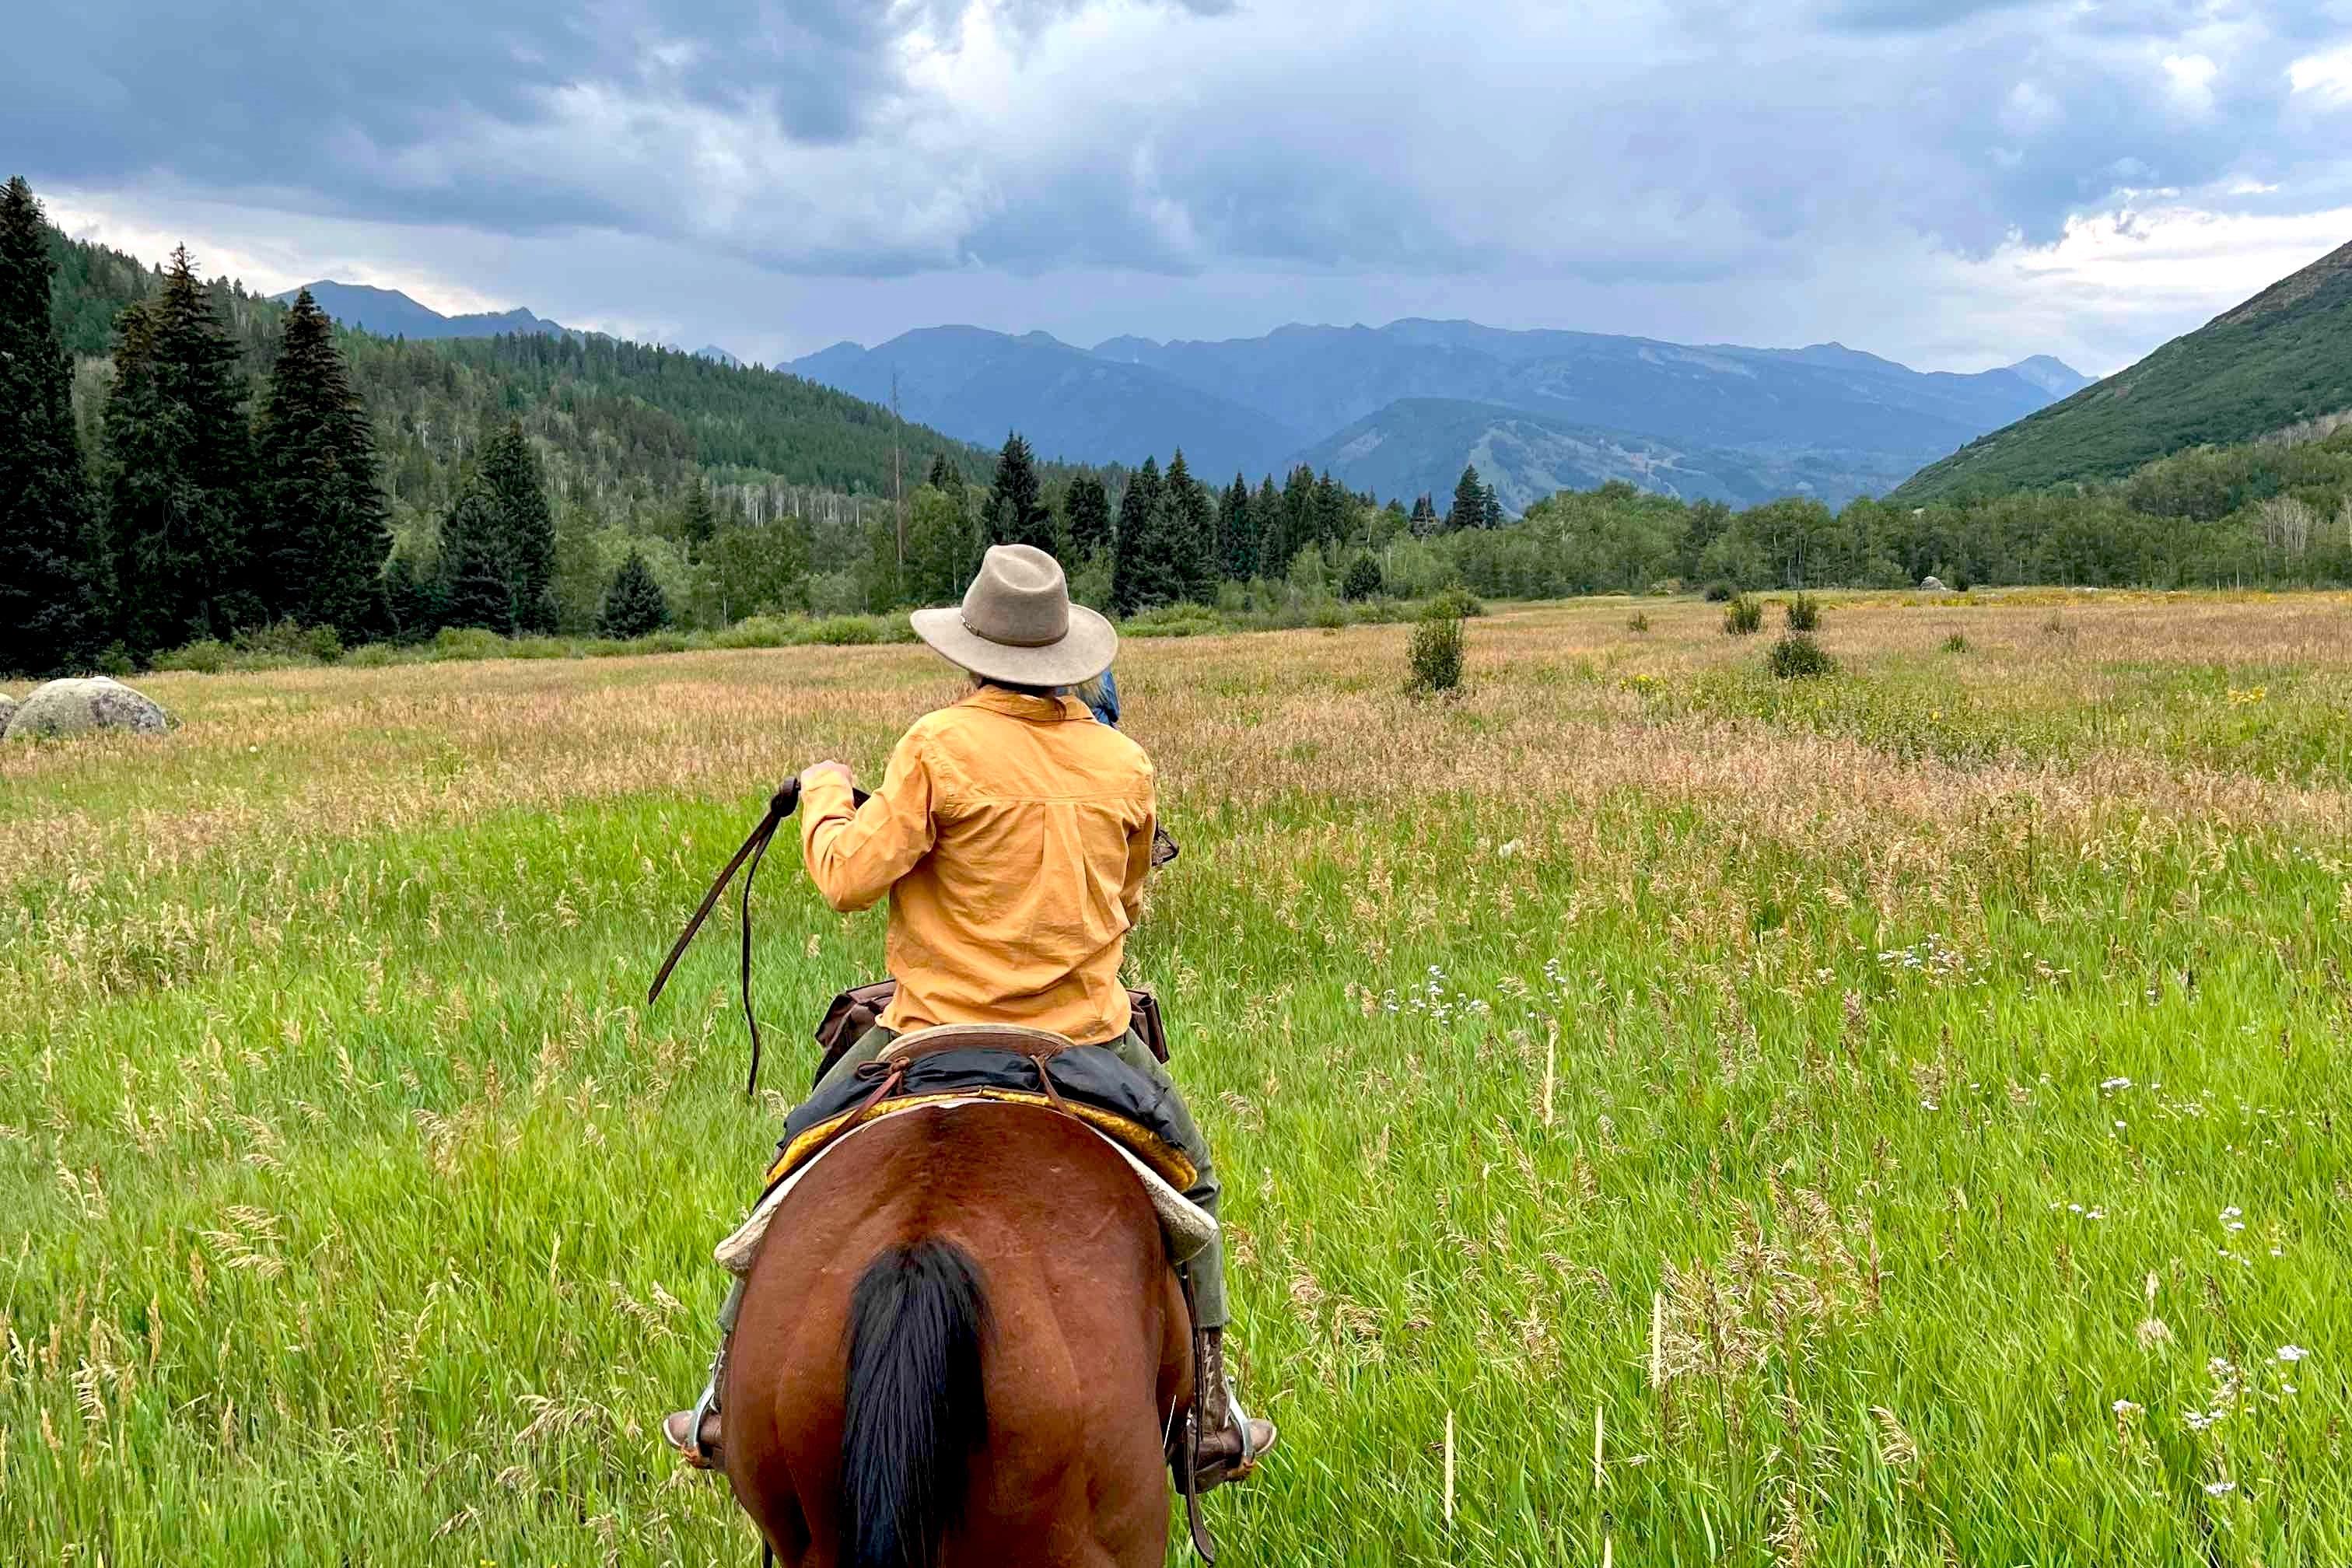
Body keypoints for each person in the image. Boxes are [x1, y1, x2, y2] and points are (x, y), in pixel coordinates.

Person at [664, 544, 1274, 1484]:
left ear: (971, 649)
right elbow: (1128, 901)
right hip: (1087, 1041)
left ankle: (718, 1393)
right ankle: (1212, 1412)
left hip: (927, 1032)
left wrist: (827, 790)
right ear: (1065, 653)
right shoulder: (1123, 762)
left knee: (795, 1158)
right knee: (1190, 1187)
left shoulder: (935, 746)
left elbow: (846, 879)